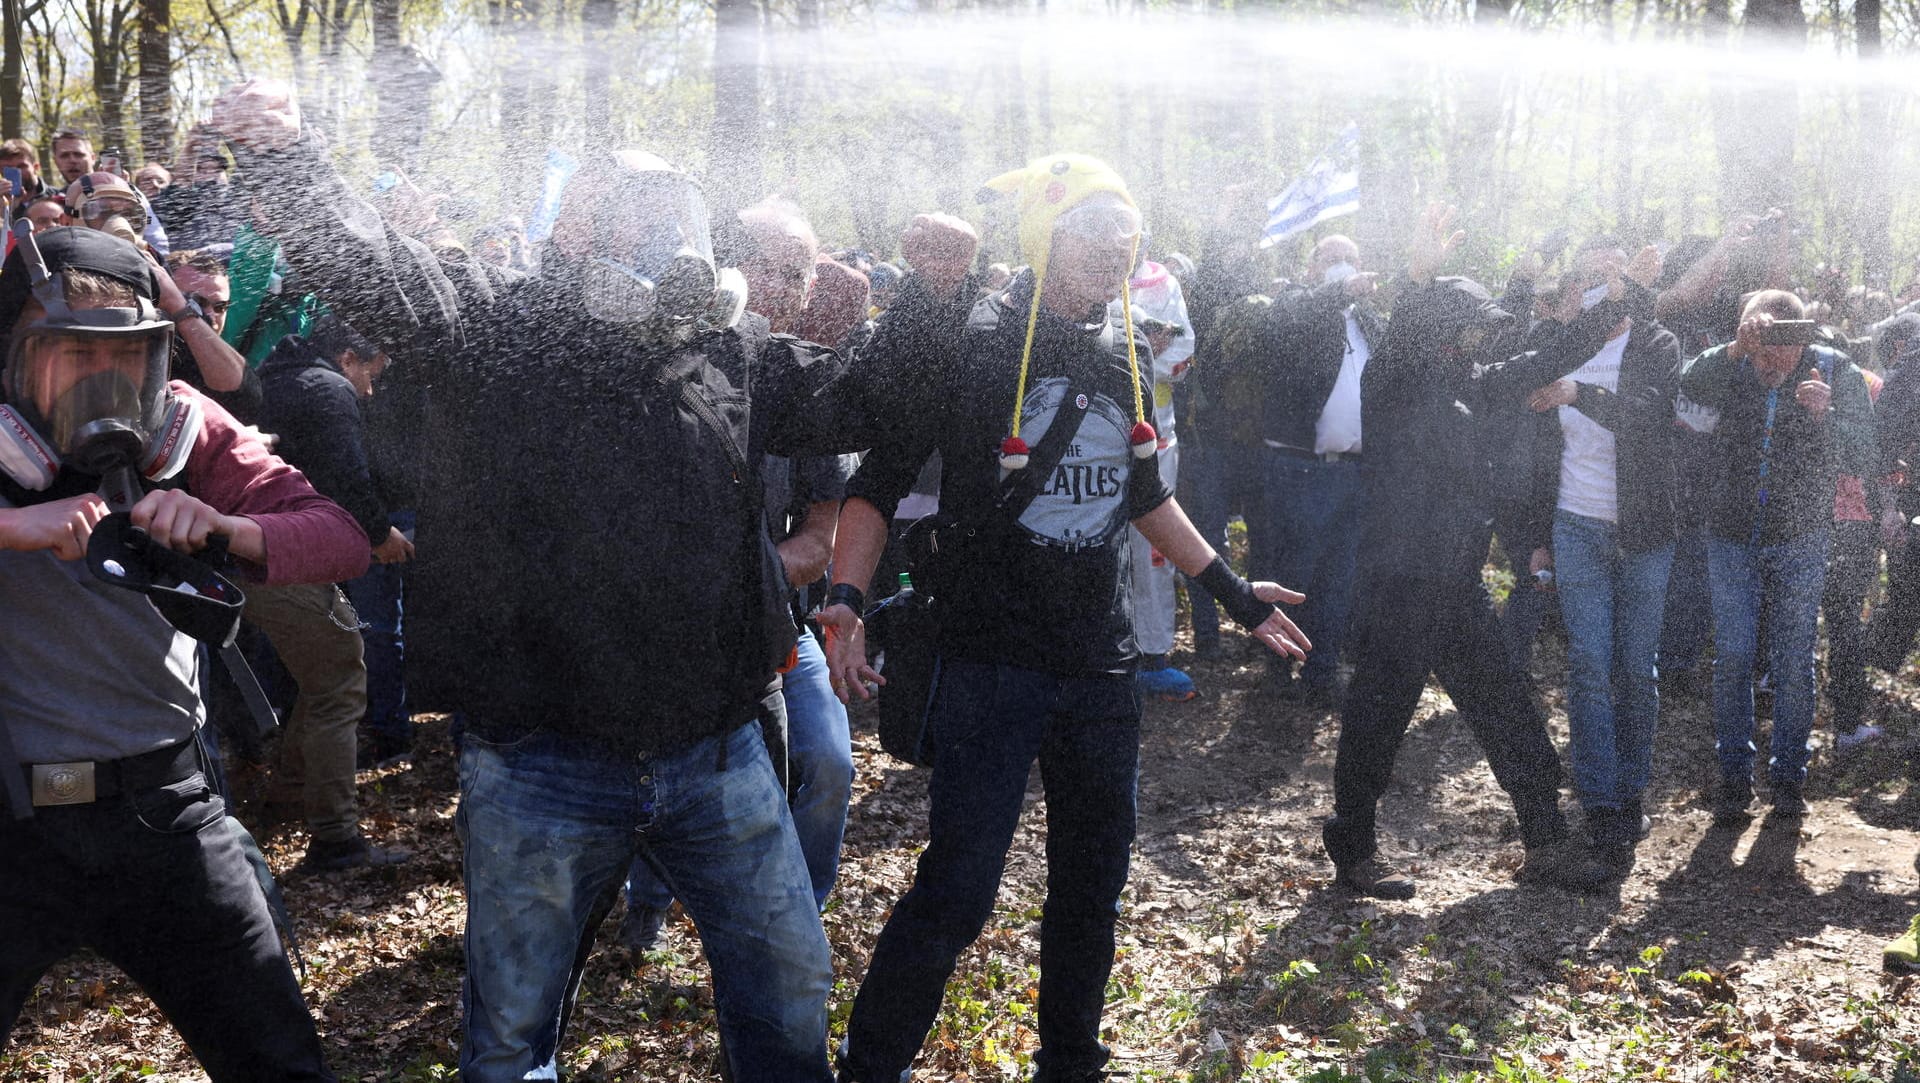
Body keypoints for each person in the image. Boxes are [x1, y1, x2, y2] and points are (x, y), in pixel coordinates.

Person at [213, 77, 869, 1081]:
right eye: (633, 217)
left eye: (673, 219)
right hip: (542, 762)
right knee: (514, 1041)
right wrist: (282, 157)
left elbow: (864, 407)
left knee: (788, 992)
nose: (660, 241)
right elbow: (371, 269)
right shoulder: (495, 325)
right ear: (572, 234)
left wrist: (906, 332)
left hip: (717, 746)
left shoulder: (725, 344)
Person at [820, 153, 1310, 1083]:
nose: (1110, 260)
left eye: (1126, 245)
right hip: (988, 661)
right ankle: (871, 1064)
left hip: (1098, 669)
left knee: (1093, 885)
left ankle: (1072, 1062)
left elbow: (1143, 494)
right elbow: (877, 484)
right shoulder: (973, 342)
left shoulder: (1117, 351)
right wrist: (844, 600)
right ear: (1045, 239)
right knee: (960, 890)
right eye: (1091, 239)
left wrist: (1236, 596)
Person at [0, 225, 368, 1083]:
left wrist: (224, 526)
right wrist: (11, 527)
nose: (101, 384)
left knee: (279, 1063)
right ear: (16, 356)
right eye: (69, 353)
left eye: (125, 358)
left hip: (163, 813)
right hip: (9, 822)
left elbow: (338, 536)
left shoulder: (185, 424)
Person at [1321, 207, 1615, 900]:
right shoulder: (1392, 383)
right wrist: (1416, 277)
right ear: (1444, 331)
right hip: (1398, 584)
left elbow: (1537, 357)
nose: (1480, 337)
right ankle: (1354, 852)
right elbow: (1402, 344)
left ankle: (1545, 842)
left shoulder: (1470, 384)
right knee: (1377, 716)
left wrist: (1608, 313)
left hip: (1454, 583)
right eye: (1469, 327)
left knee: (1506, 707)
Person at [622, 196, 859, 947]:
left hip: (776, 627)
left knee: (827, 762)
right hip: (661, 637)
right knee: (654, 769)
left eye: (806, 275)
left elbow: (822, 537)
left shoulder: (806, 386)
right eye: (780, 269)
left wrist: (740, 576)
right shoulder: (661, 366)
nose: (795, 290)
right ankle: (646, 899)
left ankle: (803, 912)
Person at [1678, 289, 1875, 821]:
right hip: (1729, 533)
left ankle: (1788, 779)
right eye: (1761, 342)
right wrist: (1735, 351)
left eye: (1783, 343)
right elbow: (1687, 385)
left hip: (1802, 535)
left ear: (1804, 334)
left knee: (1793, 660)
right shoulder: (1731, 364)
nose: (1773, 356)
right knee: (1735, 658)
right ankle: (1734, 782)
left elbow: (1867, 454)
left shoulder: (1835, 371)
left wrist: (1825, 415)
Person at [1519, 237, 1682, 872]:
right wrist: (1534, 536)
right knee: (1588, 661)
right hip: (1574, 522)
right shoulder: (1562, 346)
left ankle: (1632, 790)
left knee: (1636, 667)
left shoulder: (1656, 344)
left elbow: (1648, 417)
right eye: (1595, 277)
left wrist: (1579, 395)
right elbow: (1532, 453)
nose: (1605, 288)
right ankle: (1599, 800)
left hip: (1644, 530)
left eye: (1617, 278)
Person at [249, 313, 413, 871]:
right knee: (341, 682)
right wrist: (378, 534)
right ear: (348, 358)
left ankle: (290, 792)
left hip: (255, 549)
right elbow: (347, 476)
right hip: (286, 557)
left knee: (320, 678)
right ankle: (336, 838)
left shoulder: (275, 377)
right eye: (373, 374)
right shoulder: (331, 390)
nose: (371, 390)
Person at [1255, 233, 1384, 706]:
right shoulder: (1294, 304)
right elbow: (1286, 325)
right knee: (1293, 575)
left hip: (1353, 472)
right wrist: (1338, 290)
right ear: (1312, 269)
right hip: (1301, 471)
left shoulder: (1368, 319)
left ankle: (1322, 673)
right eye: (1332, 259)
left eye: (1351, 258)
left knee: (1338, 579)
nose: (1343, 267)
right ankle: (1278, 669)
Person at [1114, 244, 1198, 700]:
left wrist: (1140, 351)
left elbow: (1183, 351)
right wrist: (1144, 344)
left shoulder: (1165, 283)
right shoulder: (1082, 278)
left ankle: (1154, 654)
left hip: (1156, 440)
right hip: (1094, 441)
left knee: (1153, 551)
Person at [162, 248, 261, 424]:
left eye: (220, 307)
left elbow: (247, 398)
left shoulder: (221, 363)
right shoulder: (146, 349)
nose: (211, 315)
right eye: (197, 302)